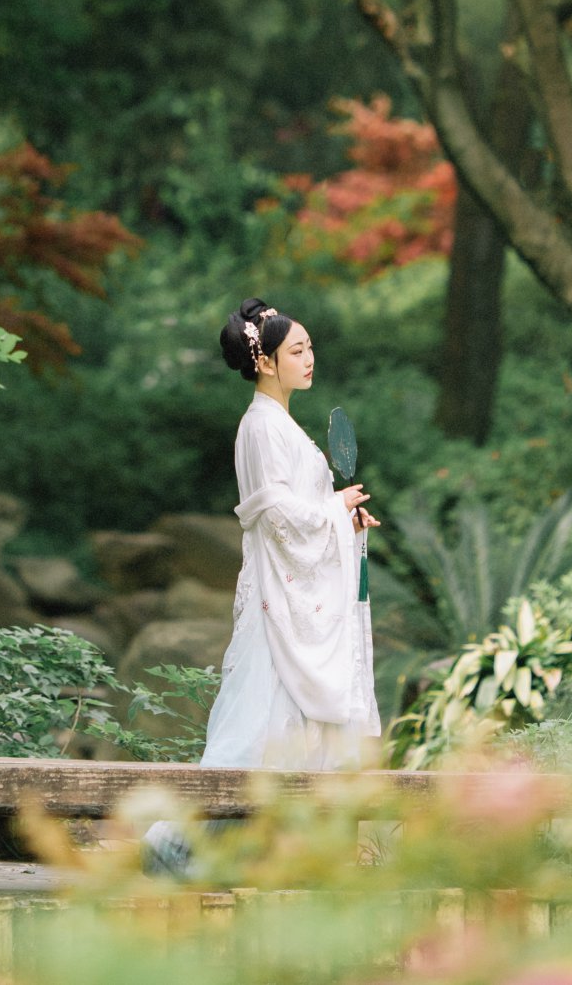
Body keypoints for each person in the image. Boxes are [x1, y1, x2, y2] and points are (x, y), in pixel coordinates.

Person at [143, 298, 380, 873]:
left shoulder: (280, 425)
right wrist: (333, 510)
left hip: (295, 596)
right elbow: (274, 516)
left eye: (310, 347)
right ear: (266, 362)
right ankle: (175, 850)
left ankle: (271, 859)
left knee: (287, 731)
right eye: (297, 350)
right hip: (281, 605)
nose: (309, 358)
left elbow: (295, 508)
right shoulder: (261, 426)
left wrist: (342, 520)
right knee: (257, 732)